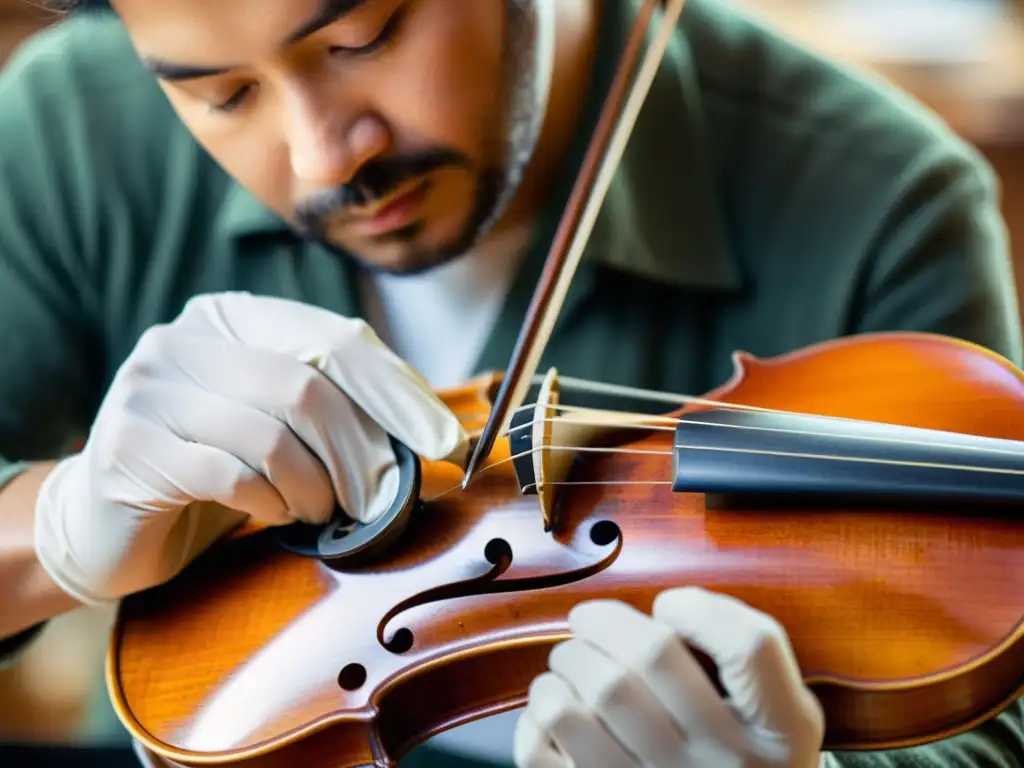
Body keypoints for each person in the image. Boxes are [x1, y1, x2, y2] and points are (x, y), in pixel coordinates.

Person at [0, 0, 1021, 766]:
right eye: (221, 95)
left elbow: (990, 732)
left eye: (365, 35)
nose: (322, 156)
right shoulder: (71, 126)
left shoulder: (887, 202)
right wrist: (53, 535)